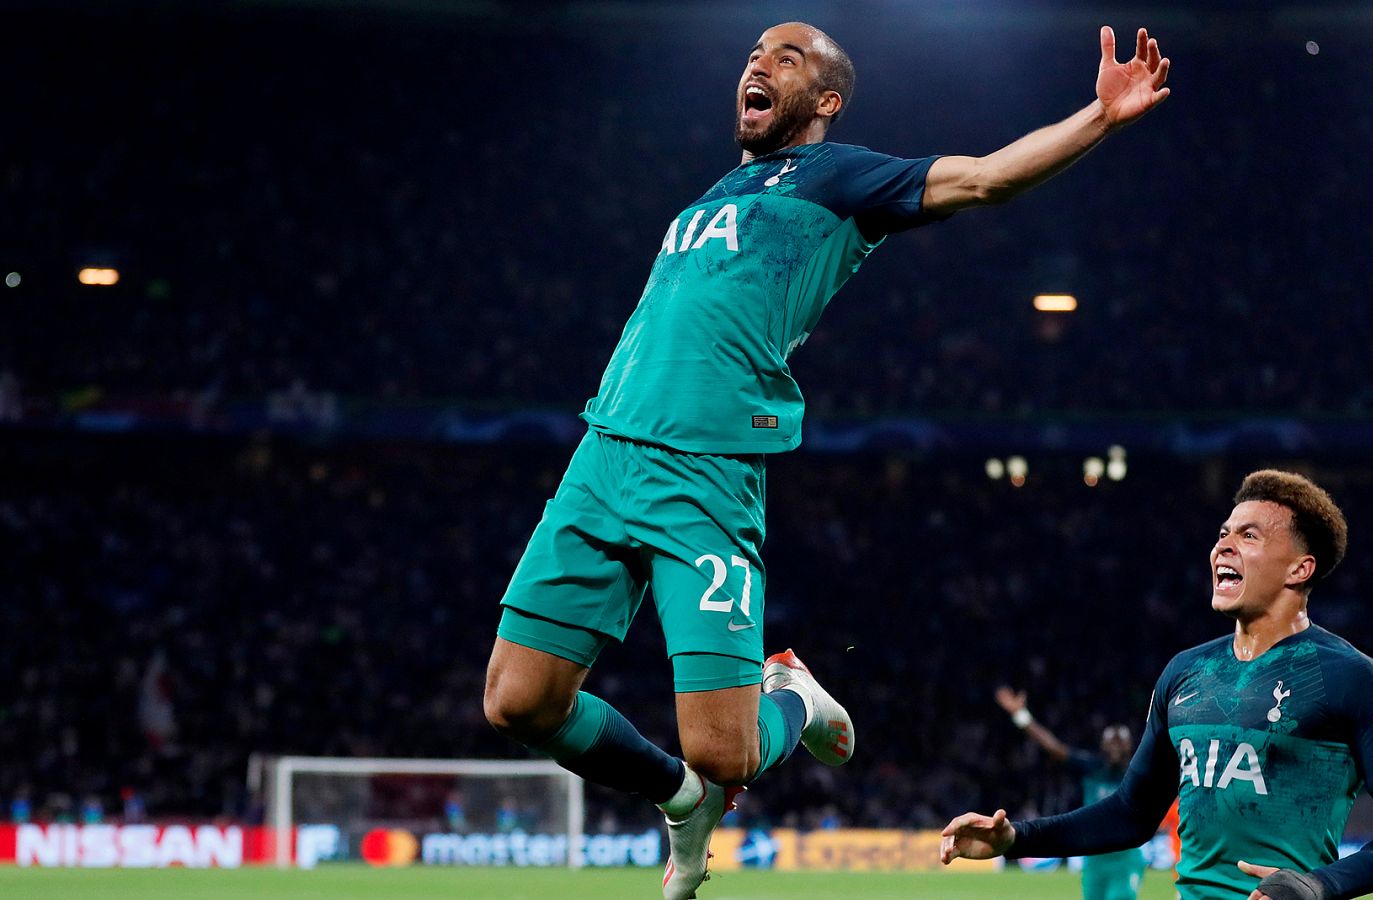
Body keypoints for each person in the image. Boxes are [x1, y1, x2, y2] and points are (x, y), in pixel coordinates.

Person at [479, 20, 1172, 900]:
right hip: (602, 455)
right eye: (754, 55)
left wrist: (1099, 119)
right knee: (517, 699)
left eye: (787, 58)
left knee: (725, 747)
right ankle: (682, 802)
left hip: (705, 473)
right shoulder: (711, 194)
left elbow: (987, 177)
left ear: (826, 102)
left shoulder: (840, 178)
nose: (758, 65)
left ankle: (795, 699)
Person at [941, 470, 1373, 900]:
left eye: (1249, 536)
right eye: (1224, 532)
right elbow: (1131, 813)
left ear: (1300, 568)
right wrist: (1015, 838)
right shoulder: (1184, 673)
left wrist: (1318, 886)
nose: (1223, 544)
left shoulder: (1353, 678)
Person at [995, 685, 1147, 900]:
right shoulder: (1093, 768)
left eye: (1119, 742)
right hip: (1094, 859)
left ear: (1130, 746)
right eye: (1111, 742)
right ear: (1102, 745)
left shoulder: (1138, 771)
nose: (1115, 747)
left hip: (1125, 858)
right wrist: (1021, 716)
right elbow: (1053, 747)